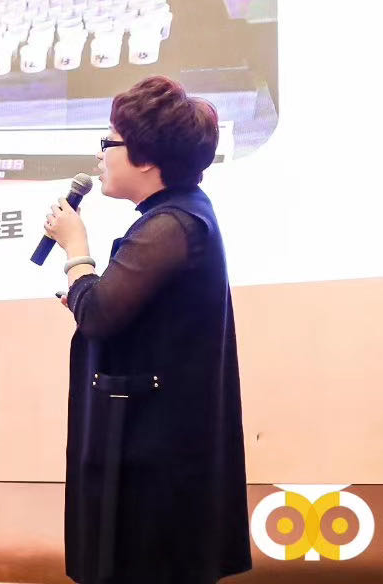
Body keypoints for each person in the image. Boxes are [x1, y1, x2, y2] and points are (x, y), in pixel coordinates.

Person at [42, 75, 252, 583]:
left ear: (146, 157)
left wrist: (75, 247)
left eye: (109, 142)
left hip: (156, 452)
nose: (101, 155)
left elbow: (99, 314)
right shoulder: (174, 216)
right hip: (152, 442)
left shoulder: (171, 224)